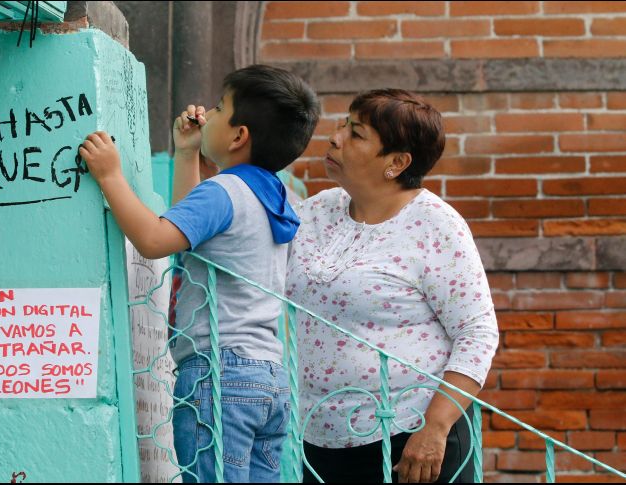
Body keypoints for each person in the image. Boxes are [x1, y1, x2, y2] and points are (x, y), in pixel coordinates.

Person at [80, 64, 320, 483]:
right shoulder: (273, 195)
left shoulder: (224, 191)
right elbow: (191, 229)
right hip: (268, 378)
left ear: (238, 135)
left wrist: (110, 176)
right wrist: (188, 152)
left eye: (220, 106)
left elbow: (156, 239)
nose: (207, 111)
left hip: (219, 376)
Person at [285, 89, 499, 483]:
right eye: (342, 125)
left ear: (397, 162)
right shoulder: (316, 210)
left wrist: (435, 428)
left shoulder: (436, 225)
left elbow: (477, 333)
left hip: (412, 442)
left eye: (357, 133)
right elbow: (231, 242)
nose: (335, 137)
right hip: (319, 438)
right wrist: (197, 159)